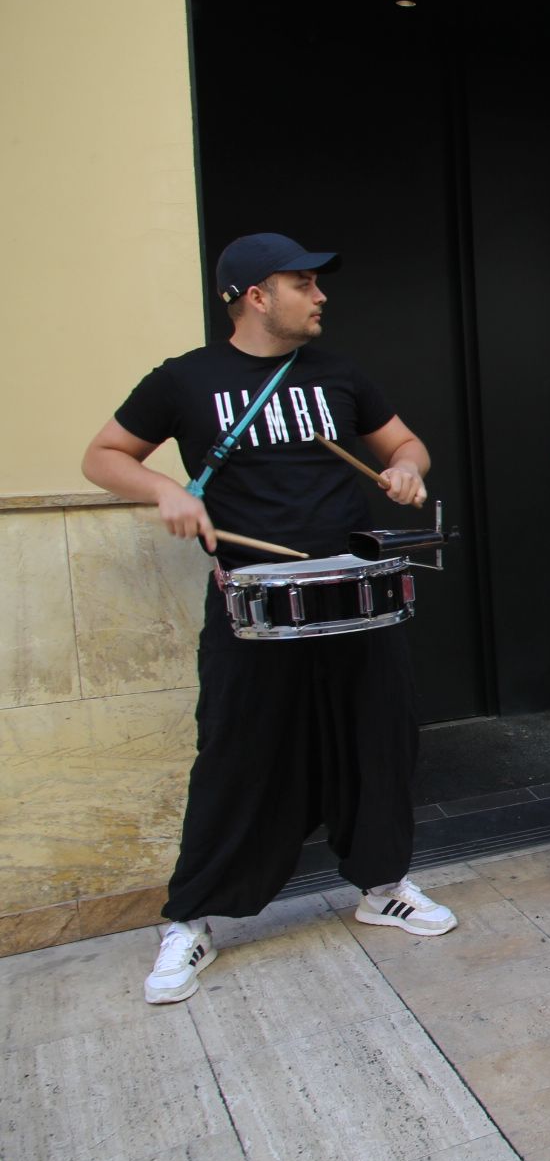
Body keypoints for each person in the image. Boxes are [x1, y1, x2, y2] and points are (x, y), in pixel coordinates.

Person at [81, 233, 457, 1006]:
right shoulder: (187, 380)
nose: (320, 296)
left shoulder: (338, 374)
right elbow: (105, 454)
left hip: (355, 589)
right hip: (254, 599)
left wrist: (406, 468)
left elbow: (405, 441)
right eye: (303, 283)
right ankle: (191, 920)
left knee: (379, 739)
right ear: (256, 294)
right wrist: (167, 493)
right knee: (237, 752)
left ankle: (381, 885)